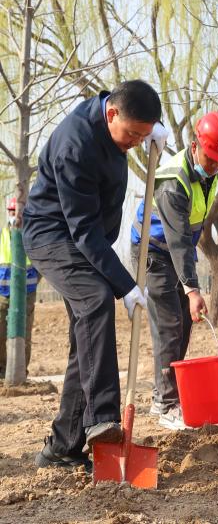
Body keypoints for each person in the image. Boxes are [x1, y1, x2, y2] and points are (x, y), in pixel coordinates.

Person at [23, 80, 165, 470]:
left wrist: (156, 129)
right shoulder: (76, 144)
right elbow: (82, 229)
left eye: (144, 135)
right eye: (132, 134)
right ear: (112, 115)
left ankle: (61, 447)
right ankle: (102, 418)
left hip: (84, 237)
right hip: (52, 234)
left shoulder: (122, 114)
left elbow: (140, 104)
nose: (135, 142)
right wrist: (125, 284)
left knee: (86, 340)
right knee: (96, 300)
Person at [131, 112, 218, 430]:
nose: (215, 166)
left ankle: (167, 393)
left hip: (177, 251)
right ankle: (165, 404)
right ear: (195, 146)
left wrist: (190, 283)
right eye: (211, 158)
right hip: (153, 252)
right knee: (170, 324)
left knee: (184, 326)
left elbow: (192, 230)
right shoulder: (171, 182)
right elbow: (176, 241)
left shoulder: (208, 172)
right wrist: (193, 289)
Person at [0, 197, 40, 378]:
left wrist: (32, 283)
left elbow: (41, 266)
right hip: (2, 293)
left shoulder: (32, 236)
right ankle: (2, 371)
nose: (14, 215)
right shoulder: (2, 236)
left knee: (24, 335)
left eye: (17, 211)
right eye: (11, 211)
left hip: (26, 294)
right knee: (1, 333)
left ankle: (21, 372)